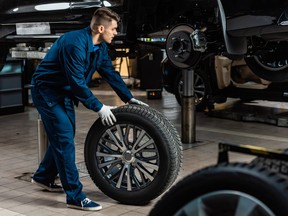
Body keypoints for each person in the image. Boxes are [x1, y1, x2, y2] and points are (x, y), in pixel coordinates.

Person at [30, 7, 148, 211]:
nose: (116, 33)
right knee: (64, 138)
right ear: (101, 28)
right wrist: (99, 107)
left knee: (63, 136)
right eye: (114, 29)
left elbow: (110, 73)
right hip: (47, 92)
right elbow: (77, 83)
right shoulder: (74, 43)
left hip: (64, 92)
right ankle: (75, 197)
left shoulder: (99, 46)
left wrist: (128, 98)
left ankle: (43, 177)